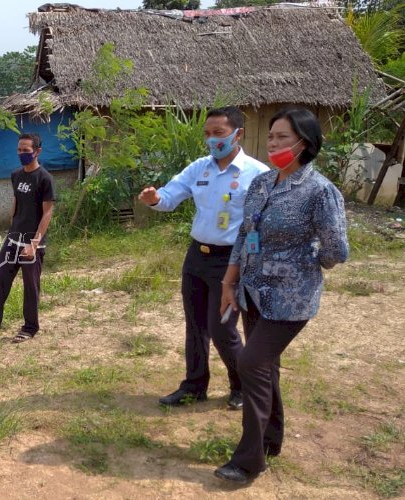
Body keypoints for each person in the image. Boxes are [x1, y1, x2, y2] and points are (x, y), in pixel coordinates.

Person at [214, 108, 349, 484]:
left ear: (304, 143)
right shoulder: (262, 184)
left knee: (252, 363)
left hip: (290, 298)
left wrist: (306, 260)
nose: (273, 144)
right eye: (271, 137)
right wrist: (228, 284)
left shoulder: (320, 191)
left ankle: (248, 461)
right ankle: (271, 441)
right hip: (253, 291)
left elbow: (337, 250)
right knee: (265, 367)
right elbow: (244, 235)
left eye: (282, 138)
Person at [138, 107, 269, 409]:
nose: (212, 140)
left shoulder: (258, 175)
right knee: (195, 325)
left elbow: (260, 228)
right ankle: (195, 385)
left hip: (232, 262)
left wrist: (247, 267)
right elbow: (171, 195)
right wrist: (156, 199)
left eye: (219, 133)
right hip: (197, 256)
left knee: (222, 328)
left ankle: (242, 385)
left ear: (239, 134)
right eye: (208, 134)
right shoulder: (200, 168)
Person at [0, 133, 56, 344]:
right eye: (19, 150)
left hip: (31, 244)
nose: (22, 154)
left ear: (37, 151)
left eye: (26, 150)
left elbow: (47, 213)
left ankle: (30, 328)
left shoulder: (45, 178)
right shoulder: (16, 175)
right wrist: (12, 227)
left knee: (30, 287)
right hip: (13, 239)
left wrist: (34, 243)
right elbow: (16, 202)